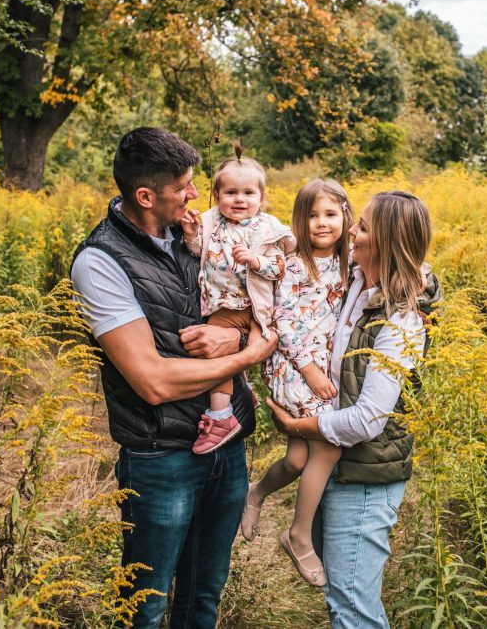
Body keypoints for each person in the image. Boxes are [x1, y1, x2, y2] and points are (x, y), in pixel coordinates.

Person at [70, 127, 276, 628]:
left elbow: (258, 294)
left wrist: (237, 335)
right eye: (183, 186)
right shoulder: (100, 263)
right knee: (147, 605)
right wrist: (248, 356)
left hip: (225, 446)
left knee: (203, 595)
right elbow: (153, 382)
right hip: (161, 458)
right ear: (145, 196)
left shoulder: (200, 234)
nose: (194, 195)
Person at [265, 191, 442, 628]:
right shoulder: (361, 282)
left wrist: (297, 424)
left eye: (360, 226)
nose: (350, 231)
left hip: (365, 476)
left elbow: (367, 419)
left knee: (353, 612)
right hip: (340, 464)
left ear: (382, 242)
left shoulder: (401, 320)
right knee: (341, 601)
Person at [241, 179, 353, 587]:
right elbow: (282, 321)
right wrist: (307, 369)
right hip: (294, 364)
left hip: (325, 366)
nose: (321, 223)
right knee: (329, 447)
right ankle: (299, 536)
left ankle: (255, 493)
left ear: (345, 216)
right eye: (311, 216)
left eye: (330, 214)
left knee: (298, 460)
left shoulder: (351, 261)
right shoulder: (291, 264)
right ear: (298, 222)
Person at [180, 142, 294, 454]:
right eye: (230, 193)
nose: (239, 199)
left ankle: (221, 416)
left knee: (215, 352)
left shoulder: (267, 228)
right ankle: (239, 392)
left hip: (252, 303)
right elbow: (196, 252)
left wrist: (256, 262)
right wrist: (191, 234)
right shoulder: (210, 221)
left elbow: (282, 267)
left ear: (262, 198)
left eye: (248, 194)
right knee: (223, 350)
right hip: (221, 301)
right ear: (217, 196)